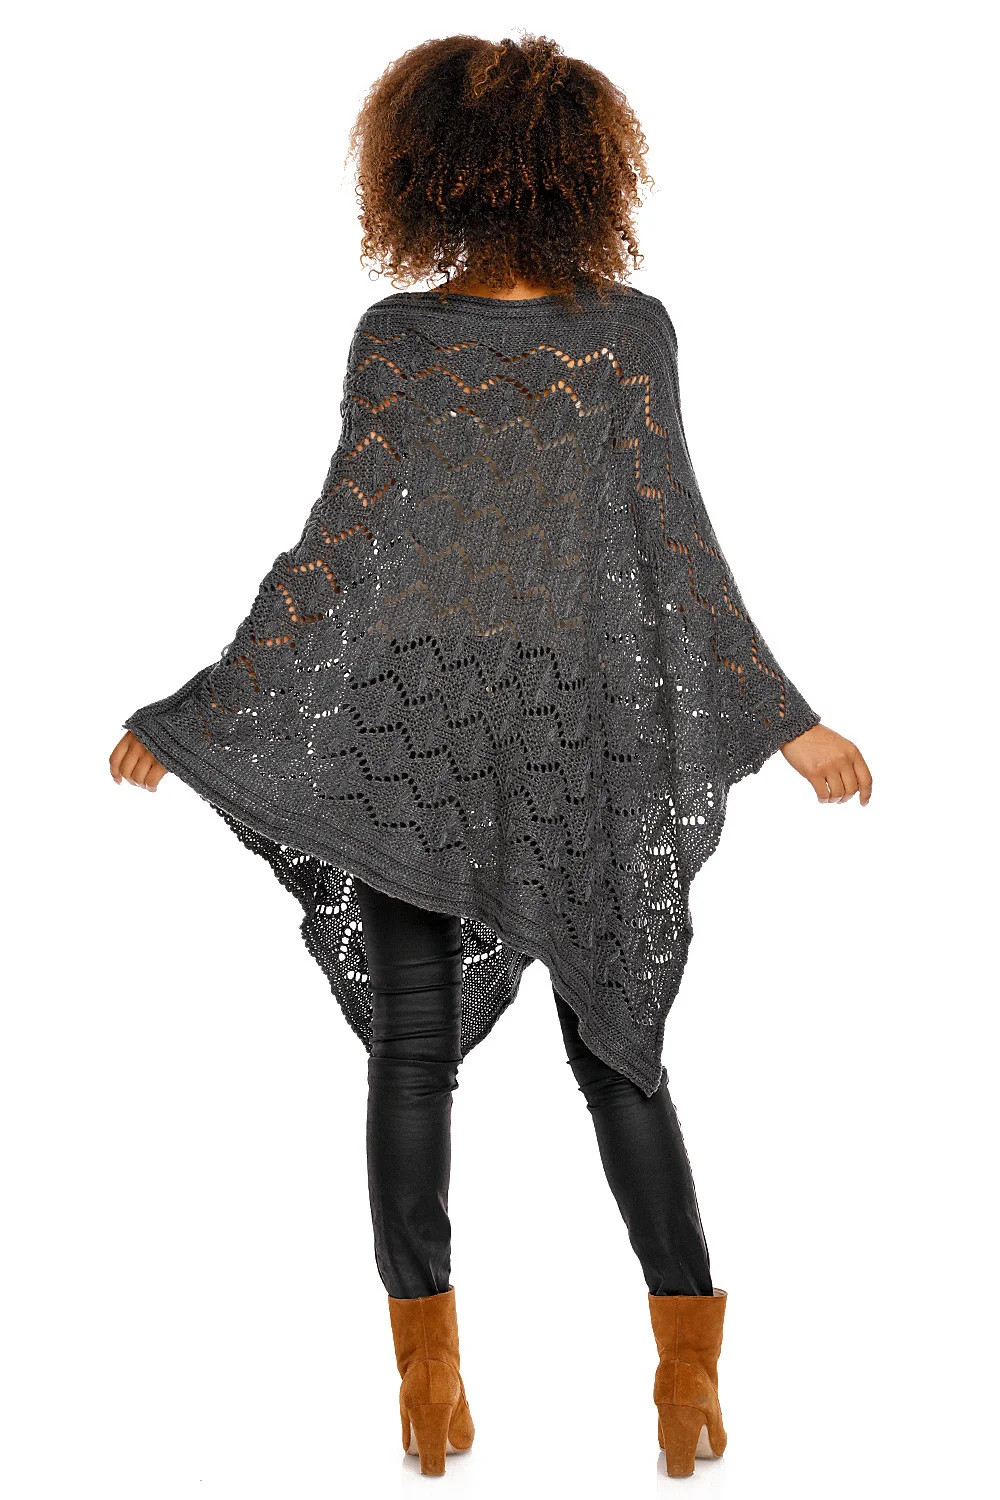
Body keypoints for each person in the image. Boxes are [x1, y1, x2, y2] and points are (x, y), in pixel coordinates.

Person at [109, 32, 871, 1478]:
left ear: (430, 175)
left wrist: (205, 706)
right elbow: (676, 548)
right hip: (570, 727)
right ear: (583, 171)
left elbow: (334, 559)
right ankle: (686, 1374)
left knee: (412, 1059)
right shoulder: (626, 335)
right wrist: (787, 721)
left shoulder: (403, 340)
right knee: (619, 1054)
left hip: (411, 728)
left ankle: (429, 1380)